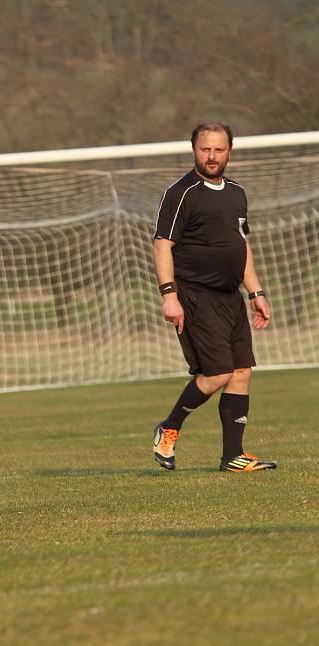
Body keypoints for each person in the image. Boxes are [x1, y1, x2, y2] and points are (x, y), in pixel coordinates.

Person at [151, 122, 276, 473]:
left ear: (229, 151)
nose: (211, 156)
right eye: (205, 149)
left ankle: (233, 456)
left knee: (241, 372)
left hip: (231, 297)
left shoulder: (237, 192)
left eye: (218, 149)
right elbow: (162, 244)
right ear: (194, 149)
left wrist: (257, 292)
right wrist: (169, 295)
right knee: (218, 374)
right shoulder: (181, 193)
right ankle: (169, 427)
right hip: (195, 295)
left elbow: (241, 246)